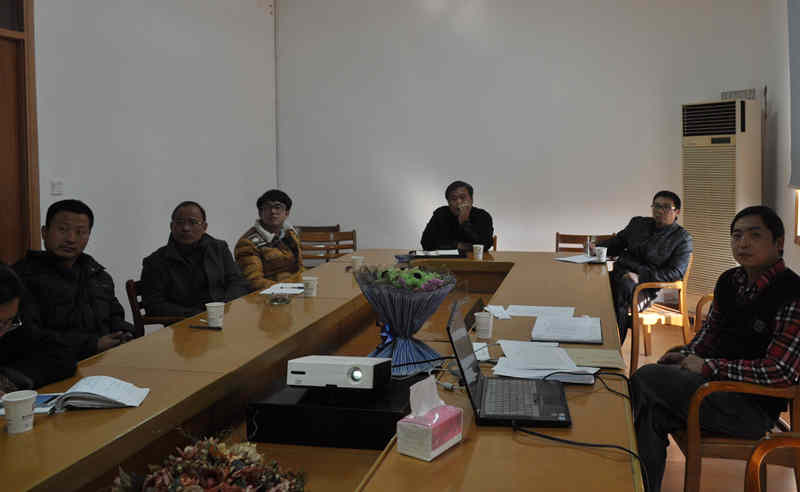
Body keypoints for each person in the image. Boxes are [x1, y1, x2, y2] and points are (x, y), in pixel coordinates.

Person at [631, 205, 800, 492]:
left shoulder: (792, 294)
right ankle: (642, 487)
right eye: (737, 236)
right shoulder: (729, 281)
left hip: (753, 408)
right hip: (714, 391)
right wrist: (686, 355)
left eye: (755, 235)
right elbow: (708, 336)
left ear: (779, 242)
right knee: (650, 410)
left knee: (645, 379)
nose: (743, 243)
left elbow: (780, 372)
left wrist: (708, 367)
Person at [13, 199, 136, 361]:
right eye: (62, 229)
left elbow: (115, 316)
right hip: (53, 366)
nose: (71, 239)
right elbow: (28, 336)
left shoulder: (98, 275)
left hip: (105, 360)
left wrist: (124, 334)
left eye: (80, 232)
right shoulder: (21, 278)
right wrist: (93, 345)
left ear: (88, 236)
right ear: (44, 232)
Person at [595, 190, 692, 344]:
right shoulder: (638, 224)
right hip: (619, 274)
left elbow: (676, 273)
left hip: (645, 287)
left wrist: (641, 276)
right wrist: (596, 247)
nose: (659, 211)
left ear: (677, 212)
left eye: (666, 207)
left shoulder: (682, 238)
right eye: (657, 206)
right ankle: (589, 338)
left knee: (620, 293)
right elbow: (617, 243)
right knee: (592, 286)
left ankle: (613, 346)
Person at [140, 201, 250, 318]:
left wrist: (223, 306)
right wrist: (196, 315)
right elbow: (154, 305)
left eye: (192, 222)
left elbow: (238, 281)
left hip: (225, 316)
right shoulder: (155, 262)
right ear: (171, 226)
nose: (186, 228)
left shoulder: (219, 248)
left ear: (204, 227)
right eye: (180, 223)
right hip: (186, 323)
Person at [0, 264, 76, 395]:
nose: (1, 333)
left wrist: (8, 380)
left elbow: (62, 355)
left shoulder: (13, 327)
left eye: (7, 321)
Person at [235, 189, 304, 290]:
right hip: (267, 296)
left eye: (278, 207)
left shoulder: (290, 234)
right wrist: (291, 288)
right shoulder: (247, 243)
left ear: (286, 213)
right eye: (267, 207)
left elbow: (300, 268)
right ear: (260, 212)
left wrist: (305, 284)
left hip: (295, 289)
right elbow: (254, 281)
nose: (273, 212)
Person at [421, 180, 494, 251]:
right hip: (446, 259)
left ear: (471, 200)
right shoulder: (440, 214)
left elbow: (485, 245)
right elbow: (426, 243)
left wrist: (464, 223)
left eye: (463, 197)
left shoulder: (483, 215)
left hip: (473, 259)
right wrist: (459, 245)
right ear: (448, 202)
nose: (459, 202)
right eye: (453, 199)